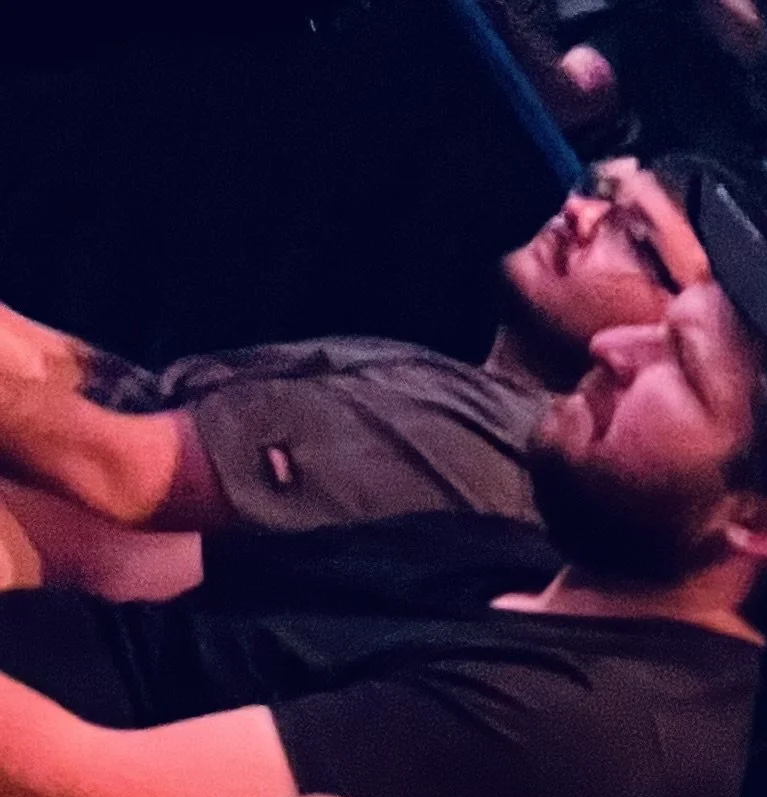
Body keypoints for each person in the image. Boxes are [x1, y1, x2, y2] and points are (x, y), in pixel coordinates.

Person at [0, 191, 767, 797]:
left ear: (761, 521)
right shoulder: (565, 550)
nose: (613, 346)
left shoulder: (599, 735)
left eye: (678, 365)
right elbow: (162, 597)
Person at [0, 161, 712, 592]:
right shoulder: (471, 387)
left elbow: (111, 495)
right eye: (598, 190)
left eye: (634, 237)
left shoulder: (493, 443)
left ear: (685, 329)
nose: (580, 214)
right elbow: (127, 398)